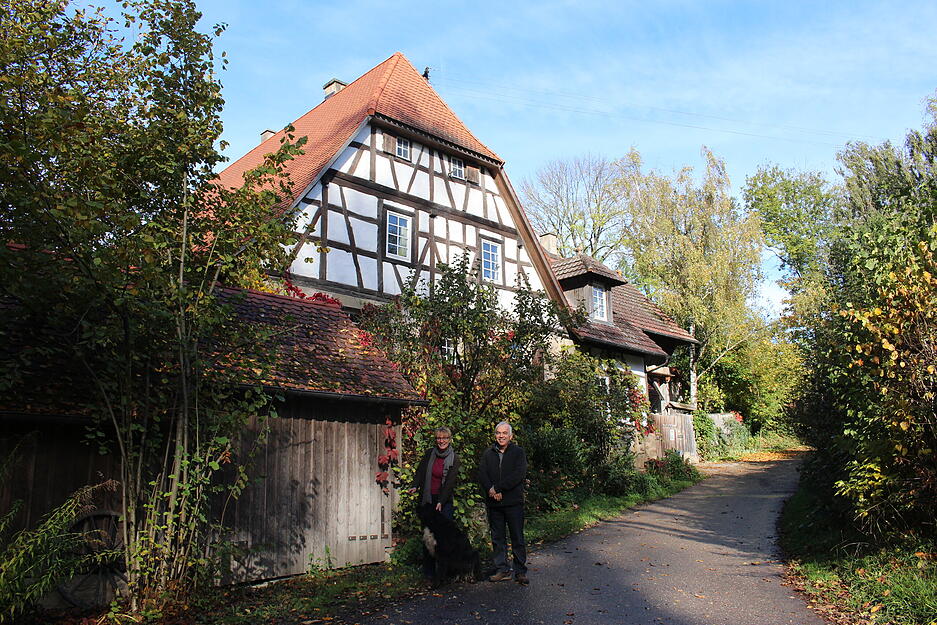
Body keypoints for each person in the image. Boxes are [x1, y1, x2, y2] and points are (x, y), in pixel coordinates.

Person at [478, 421, 528, 585]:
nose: (501, 436)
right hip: (494, 503)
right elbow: (482, 474)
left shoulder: (518, 452)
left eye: (504, 433)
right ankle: (502, 569)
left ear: (510, 436)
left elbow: (518, 475)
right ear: (495, 435)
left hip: (513, 502)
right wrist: (491, 490)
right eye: (498, 433)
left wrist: (498, 488)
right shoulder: (488, 453)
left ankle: (520, 571)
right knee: (497, 538)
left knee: (517, 538)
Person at [411, 426, 460, 578]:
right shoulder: (429, 454)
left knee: (444, 540)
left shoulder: (454, 458)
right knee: (428, 538)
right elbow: (420, 472)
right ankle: (429, 574)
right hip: (427, 501)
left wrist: (441, 501)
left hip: (443, 503)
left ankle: (447, 573)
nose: (441, 441)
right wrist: (414, 485)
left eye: (444, 438)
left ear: (449, 439)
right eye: (439, 438)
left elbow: (450, 483)